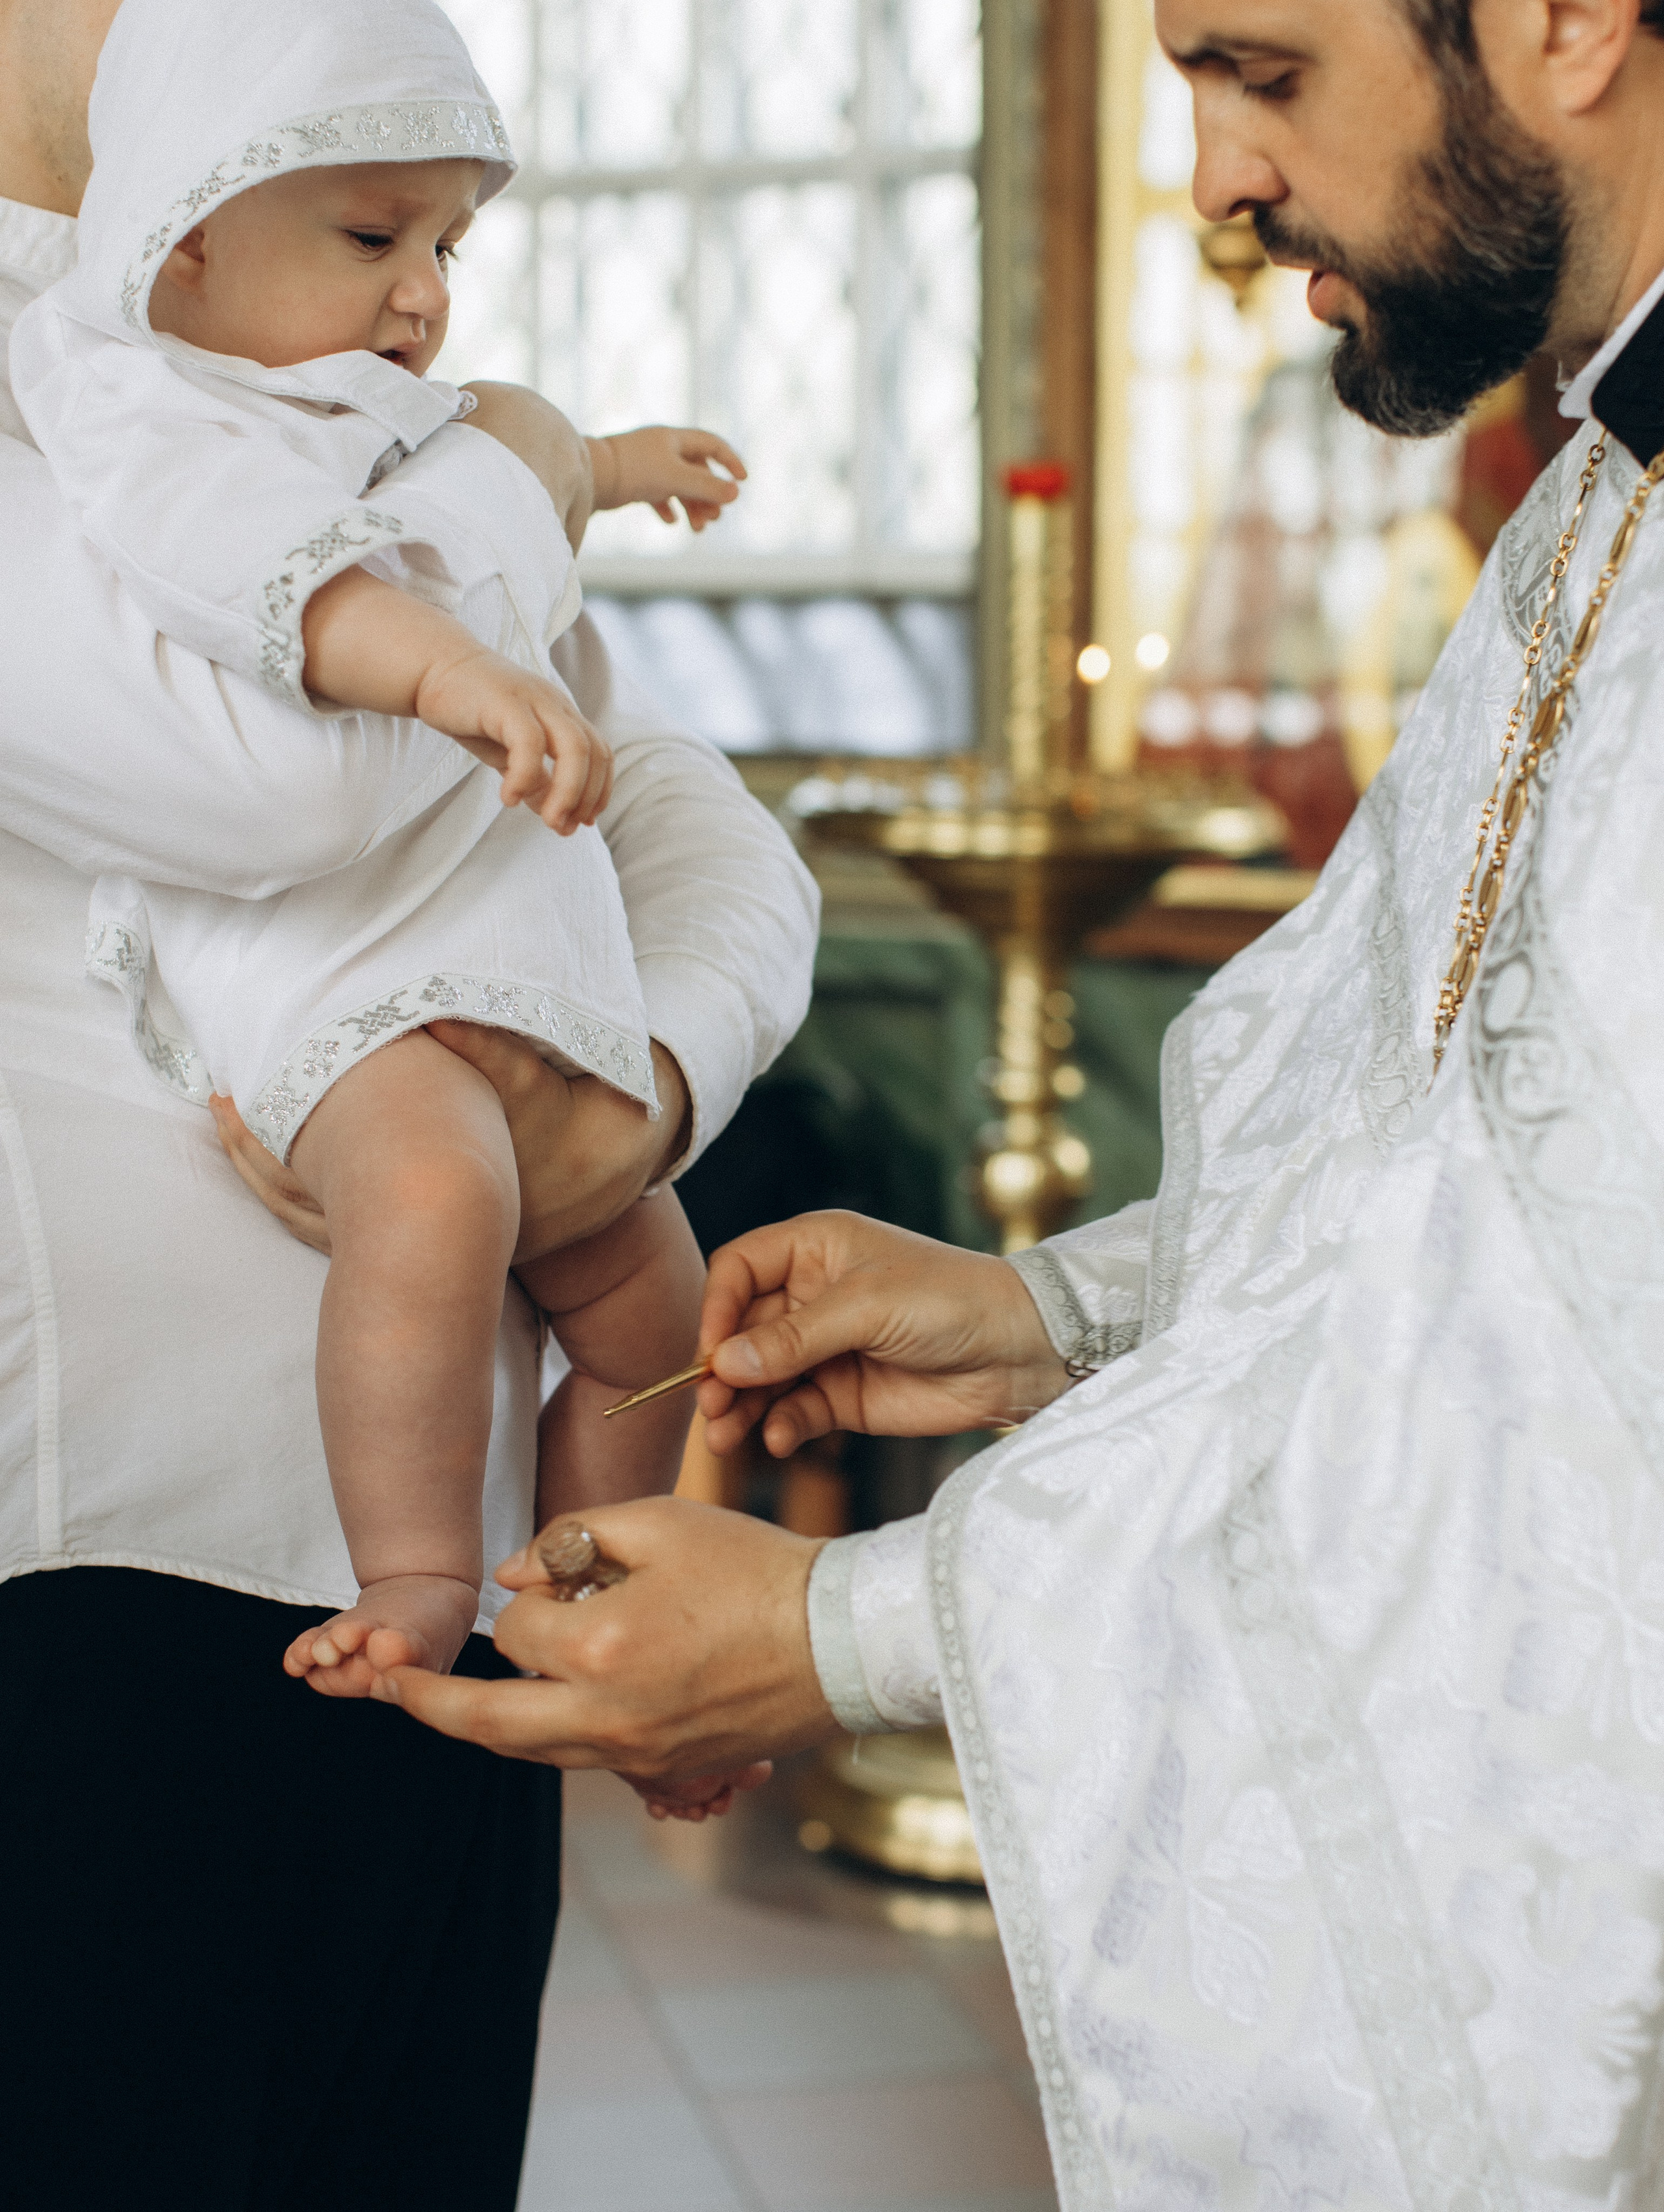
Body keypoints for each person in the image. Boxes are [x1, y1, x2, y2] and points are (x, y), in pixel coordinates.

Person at [380, 1, 1664, 2203]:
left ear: (1567, 21)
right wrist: (1043, 1312)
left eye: (1266, 71)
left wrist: (836, 1629)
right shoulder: (1591, 530)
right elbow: (1468, 1192)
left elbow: (1560, 1438)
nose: (1219, 179)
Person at [0, 0, 816, 2202]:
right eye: (383, 233)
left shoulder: (355, 383)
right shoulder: (95, 385)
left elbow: (686, 818)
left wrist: (645, 1086)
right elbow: (276, 786)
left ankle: (585, 1596)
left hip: (450, 1593)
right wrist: (521, 467)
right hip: (106, 1588)